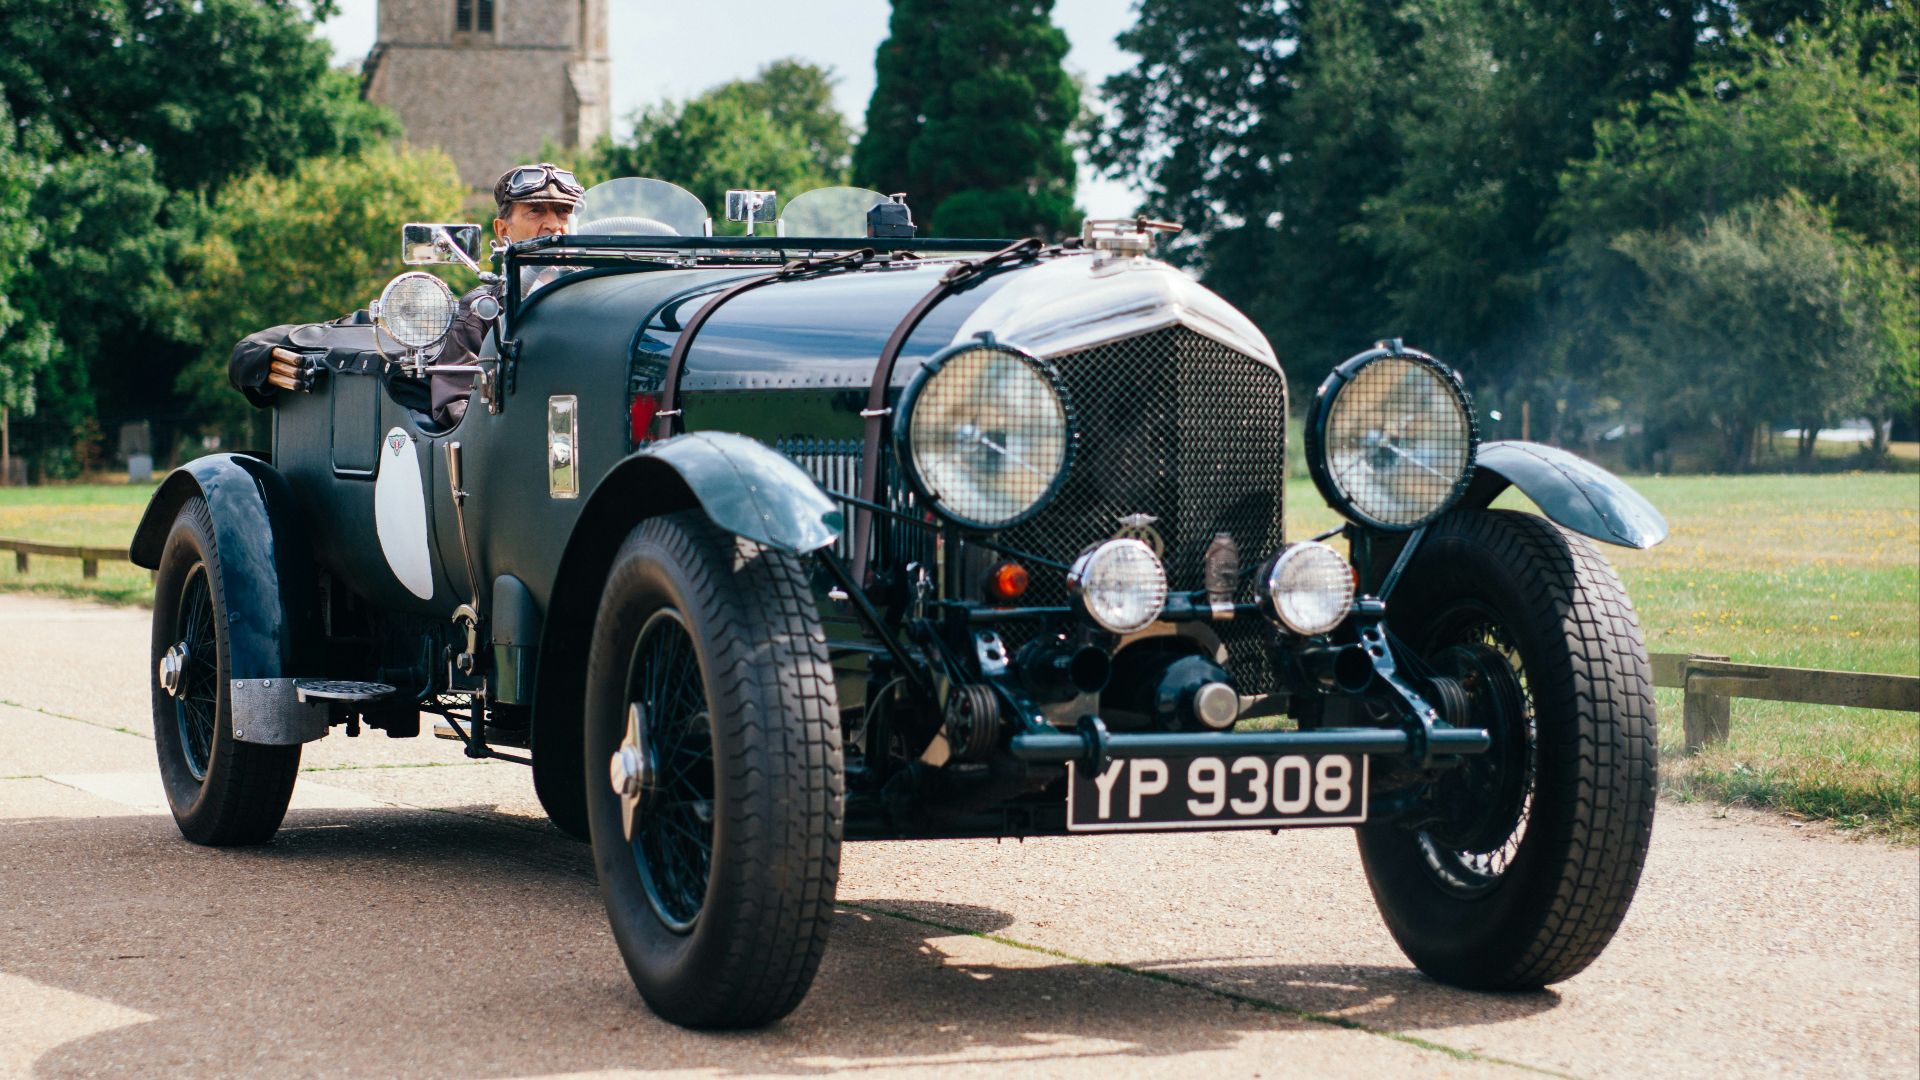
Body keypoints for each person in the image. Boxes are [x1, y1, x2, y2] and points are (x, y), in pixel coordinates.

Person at [428, 162, 584, 424]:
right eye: (536, 212)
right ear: (502, 231)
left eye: (564, 212)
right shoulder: (483, 310)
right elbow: (454, 408)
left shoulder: (598, 299)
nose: (554, 224)